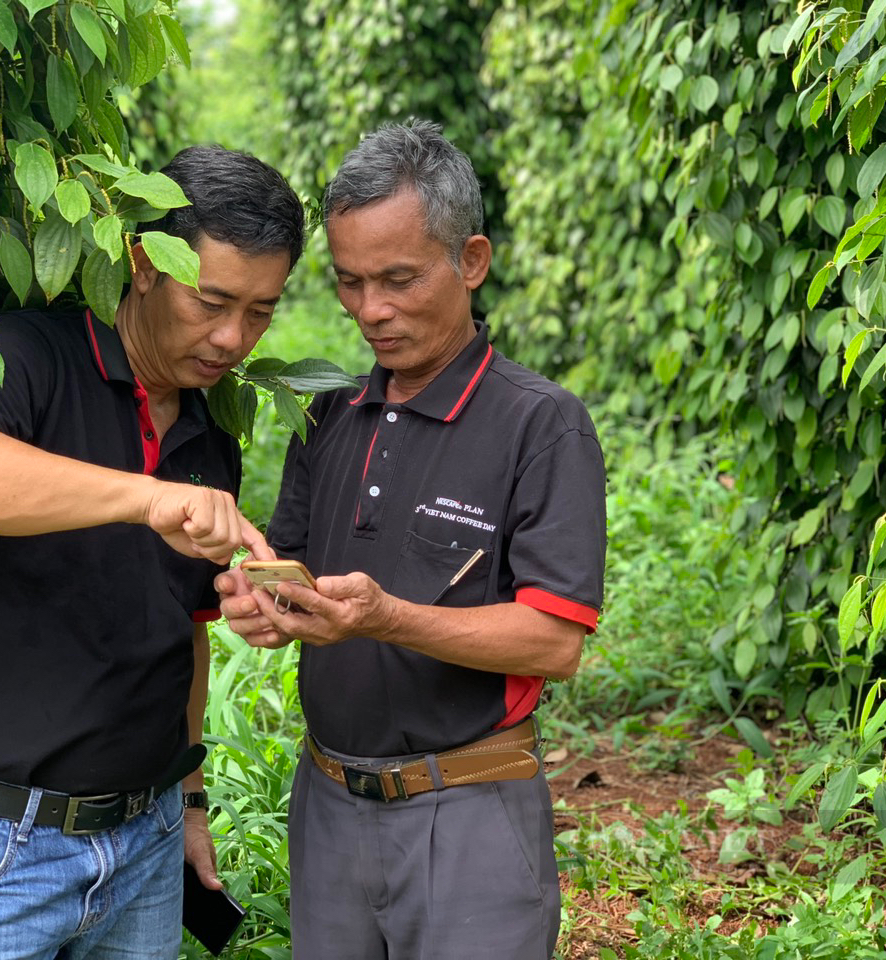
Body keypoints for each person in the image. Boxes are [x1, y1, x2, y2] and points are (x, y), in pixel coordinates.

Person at [0, 145, 301, 960]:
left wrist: (188, 803)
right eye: (212, 300)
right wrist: (146, 498)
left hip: (143, 848)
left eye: (261, 311)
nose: (231, 338)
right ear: (145, 264)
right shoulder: (33, 354)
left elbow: (184, 632)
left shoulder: (206, 432)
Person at [216, 120, 606, 959]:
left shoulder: (539, 426)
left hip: (469, 813)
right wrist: (264, 602)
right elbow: (292, 577)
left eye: (398, 279)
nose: (372, 312)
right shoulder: (329, 414)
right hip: (327, 805)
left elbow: (554, 640)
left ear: (470, 261)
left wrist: (387, 616)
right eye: (350, 283)